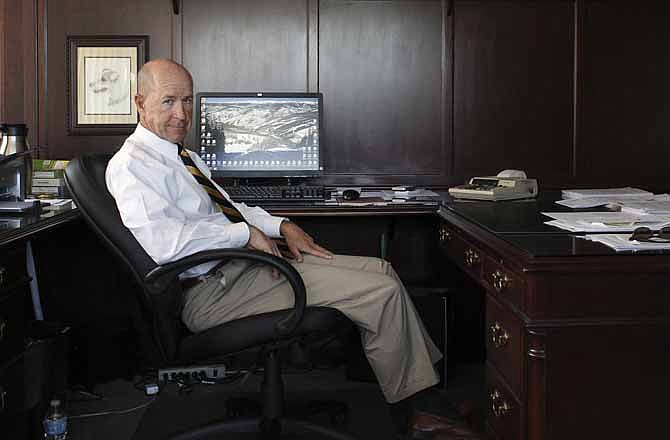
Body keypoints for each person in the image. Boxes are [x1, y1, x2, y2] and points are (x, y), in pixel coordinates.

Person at [106, 58, 480, 439]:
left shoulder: (181, 157)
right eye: (169, 101)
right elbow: (166, 246)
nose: (182, 114)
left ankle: (431, 398)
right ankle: (419, 415)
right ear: (140, 102)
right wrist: (244, 236)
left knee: (381, 271)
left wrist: (281, 225)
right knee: (379, 292)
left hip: (237, 270)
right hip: (210, 293)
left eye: (187, 101)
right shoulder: (132, 166)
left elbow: (234, 210)